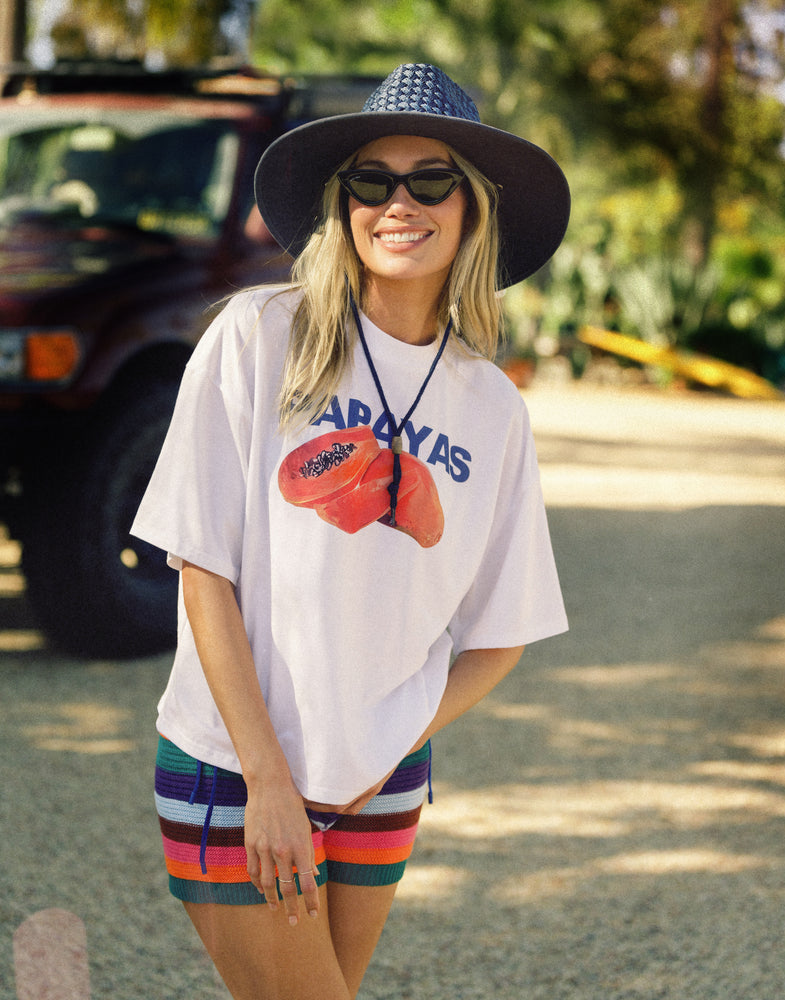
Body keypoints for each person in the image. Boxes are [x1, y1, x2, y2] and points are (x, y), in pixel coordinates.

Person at [132, 62, 570, 1000]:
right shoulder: (257, 337)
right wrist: (270, 782)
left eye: (431, 179)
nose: (398, 203)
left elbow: (501, 638)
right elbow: (201, 570)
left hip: (382, 787)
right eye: (372, 180)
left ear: (474, 208)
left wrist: (392, 742)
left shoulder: (491, 407)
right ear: (343, 204)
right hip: (233, 769)